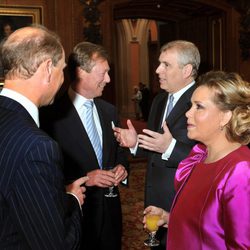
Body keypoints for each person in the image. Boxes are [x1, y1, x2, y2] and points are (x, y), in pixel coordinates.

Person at [0, 25, 89, 249]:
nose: (63, 80)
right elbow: (58, 244)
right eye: (63, 70)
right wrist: (74, 201)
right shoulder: (37, 146)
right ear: (48, 68)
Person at [143, 70, 250, 249]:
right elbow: (209, 226)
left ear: (225, 117)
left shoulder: (241, 170)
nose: (187, 114)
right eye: (190, 106)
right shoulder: (199, 155)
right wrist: (171, 218)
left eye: (198, 107)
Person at [40, 41, 129, 250]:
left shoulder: (109, 111)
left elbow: (118, 152)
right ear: (81, 72)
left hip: (111, 218)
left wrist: (122, 168)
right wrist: (87, 179)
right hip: (75, 217)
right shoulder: (50, 116)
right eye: (104, 73)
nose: (108, 79)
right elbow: (44, 175)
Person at [113, 40, 200, 249]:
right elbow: (156, 147)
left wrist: (170, 148)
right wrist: (136, 144)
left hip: (185, 203)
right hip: (155, 200)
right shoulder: (159, 100)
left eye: (166, 65)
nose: (157, 70)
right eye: (159, 63)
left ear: (187, 70)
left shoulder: (202, 100)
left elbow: (209, 156)